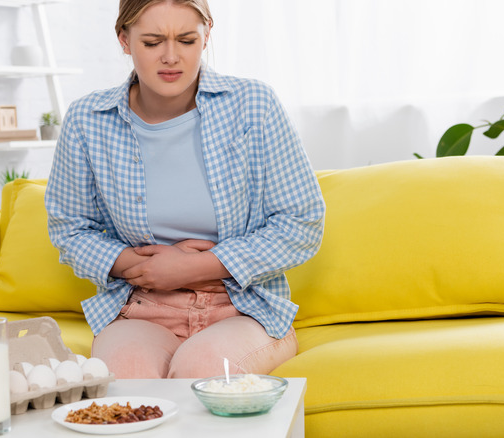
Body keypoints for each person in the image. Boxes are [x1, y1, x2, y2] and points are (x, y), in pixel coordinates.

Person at [45, 0, 325, 379]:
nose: (171, 57)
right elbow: (70, 227)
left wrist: (194, 267)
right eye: (152, 42)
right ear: (123, 40)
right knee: (126, 382)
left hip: (243, 308)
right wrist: (142, 268)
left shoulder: (253, 105)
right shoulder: (87, 120)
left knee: (203, 371)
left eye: (187, 40)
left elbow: (301, 222)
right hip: (140, 306)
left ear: (208, 33)